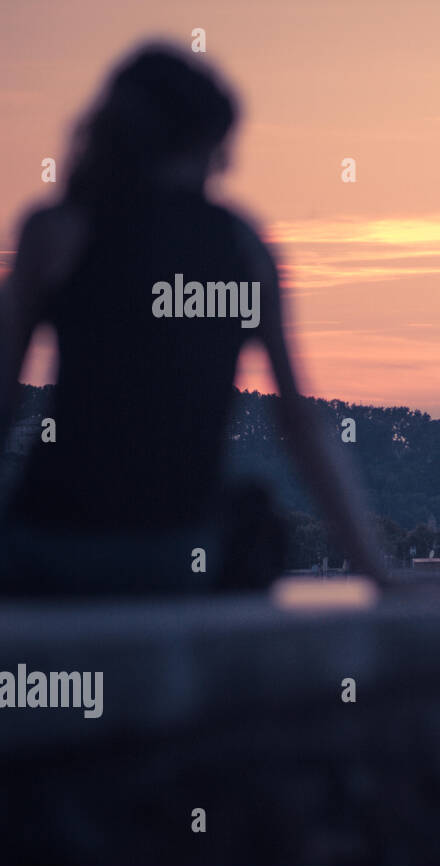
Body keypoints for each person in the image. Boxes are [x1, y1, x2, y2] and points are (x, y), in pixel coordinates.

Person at [0, 44, 387, 595]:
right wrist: (376, 571)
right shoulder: (243, 246)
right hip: (178, 552)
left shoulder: (56, 231)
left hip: (52, 546)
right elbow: (299, 423)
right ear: (203, 144)